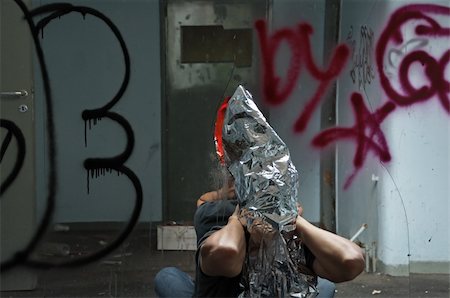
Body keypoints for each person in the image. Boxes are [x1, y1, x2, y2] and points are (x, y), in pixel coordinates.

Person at [154, 180, 365, 297]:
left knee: (326, 286)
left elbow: (351, 260)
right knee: (167, 277)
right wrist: (239, 218)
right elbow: (225, 253)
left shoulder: (288, 234)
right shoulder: (216, 219)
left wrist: (294, 221)